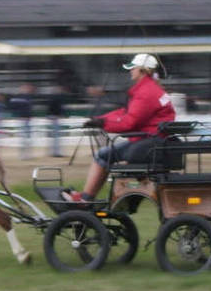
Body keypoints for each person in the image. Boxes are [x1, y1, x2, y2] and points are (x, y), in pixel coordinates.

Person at [63, 53, 176, 202]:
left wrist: (102, 124)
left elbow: (129, 122)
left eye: (132, 68)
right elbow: (125, 112)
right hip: (151, 140)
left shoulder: (146, 93)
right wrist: (100, 120)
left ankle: (85, 199)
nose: (130, 71)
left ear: (141, 70)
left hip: (148, 142)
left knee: (102, 155)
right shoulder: (150, 89)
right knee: (108, 154)